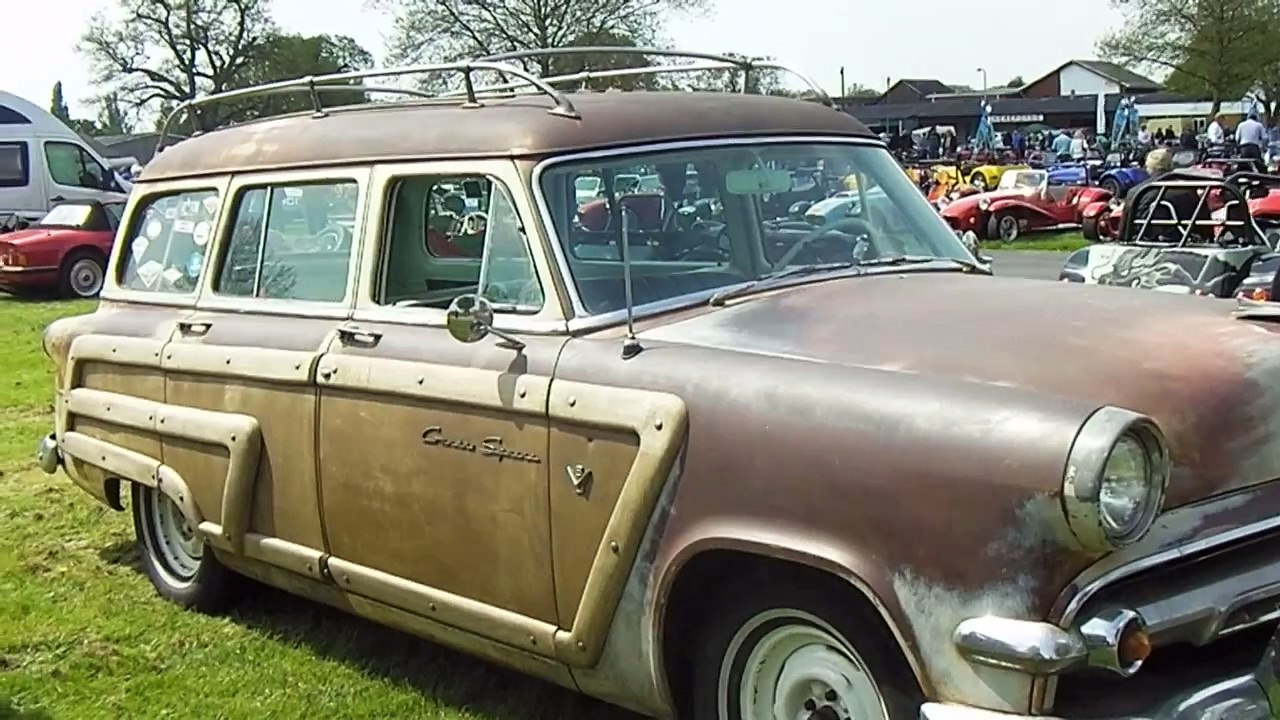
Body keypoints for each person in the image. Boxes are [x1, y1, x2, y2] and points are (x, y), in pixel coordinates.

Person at [1128, 147, 1208, 242]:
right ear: (1171, 165)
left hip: (1142, 243)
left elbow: (1125, 230)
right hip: (1185, 243)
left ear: (1148, 167)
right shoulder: (1188, 189)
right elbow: (1204, 225)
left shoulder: (1136, 192)